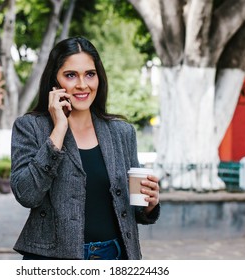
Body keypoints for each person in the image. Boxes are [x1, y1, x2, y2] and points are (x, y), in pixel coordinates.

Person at [10, 36, 160, 260]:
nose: (82, 84)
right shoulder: (30, 127)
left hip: (115, 256)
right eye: (71, 75)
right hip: (54, 260)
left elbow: (132, 208)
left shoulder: (121, 132)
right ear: (55, 81)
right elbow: (27, 195)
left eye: (90, 74)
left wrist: (149, 204)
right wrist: (59, 130)